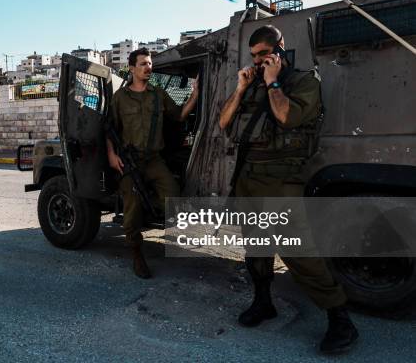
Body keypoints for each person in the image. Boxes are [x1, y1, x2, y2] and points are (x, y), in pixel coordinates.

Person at [219, 25, 359, 354]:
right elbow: (224, 123)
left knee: (299, 254)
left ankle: (341, 320)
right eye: (253, 56)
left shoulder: (303, 82)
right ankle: (263, 302)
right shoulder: (251, 86)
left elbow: (287, 117)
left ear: (280, 50)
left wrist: (272, 82)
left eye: (263, 54)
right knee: (256, 247)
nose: (257, 61)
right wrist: (240, 89)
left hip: (281, 183)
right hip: (249, 179)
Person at [107, 48, 198, 279]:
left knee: (173, 196)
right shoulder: (120, 97)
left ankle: (148, 207)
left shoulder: (158, 95)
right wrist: (111, 154)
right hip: (130, 161)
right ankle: (137, 254)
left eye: (150, 64)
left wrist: (195, 94)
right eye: (143, 64)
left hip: (154, 160)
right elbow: (110, 128)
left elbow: (179, 116)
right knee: (131, 212)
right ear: (132, 68)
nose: (148, 68)